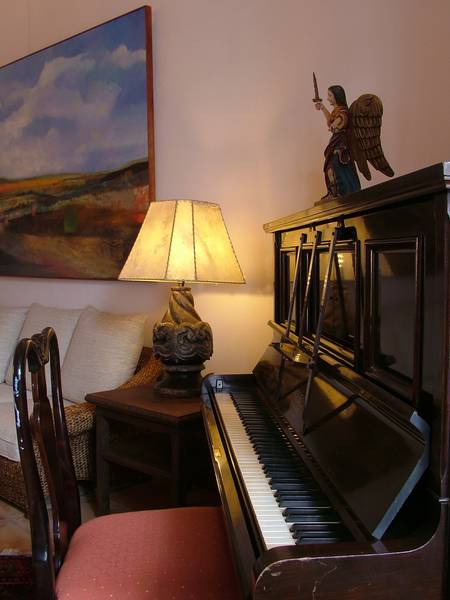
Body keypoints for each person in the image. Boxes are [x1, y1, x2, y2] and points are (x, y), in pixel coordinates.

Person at [315, 85, 361, 199]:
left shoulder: (343, 110)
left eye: (330, 95)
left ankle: (344, 190)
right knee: (329, 165)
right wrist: (323, 108)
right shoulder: (336, 111)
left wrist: (335, 124)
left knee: (337, 163)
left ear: (337, 96)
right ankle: (334, 191)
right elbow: (331, 120)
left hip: (341, 144)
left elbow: (342, 118)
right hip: (335, 141)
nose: (328, 98)